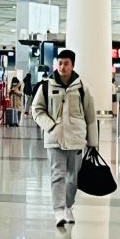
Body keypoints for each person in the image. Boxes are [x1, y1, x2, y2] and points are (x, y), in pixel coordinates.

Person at [31, 49, 98, 227]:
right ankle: (59, 210)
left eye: (66, 63)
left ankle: (68, 206)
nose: (62, 67)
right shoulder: (47, 86)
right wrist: (50, 126)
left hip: (76, 139)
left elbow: (90, 116)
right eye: (60, 63)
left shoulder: (82, 87)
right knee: (57, 175)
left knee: (73, 178)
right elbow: (36, 110)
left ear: (72, 65)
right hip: (55, 139)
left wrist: (93, 142)